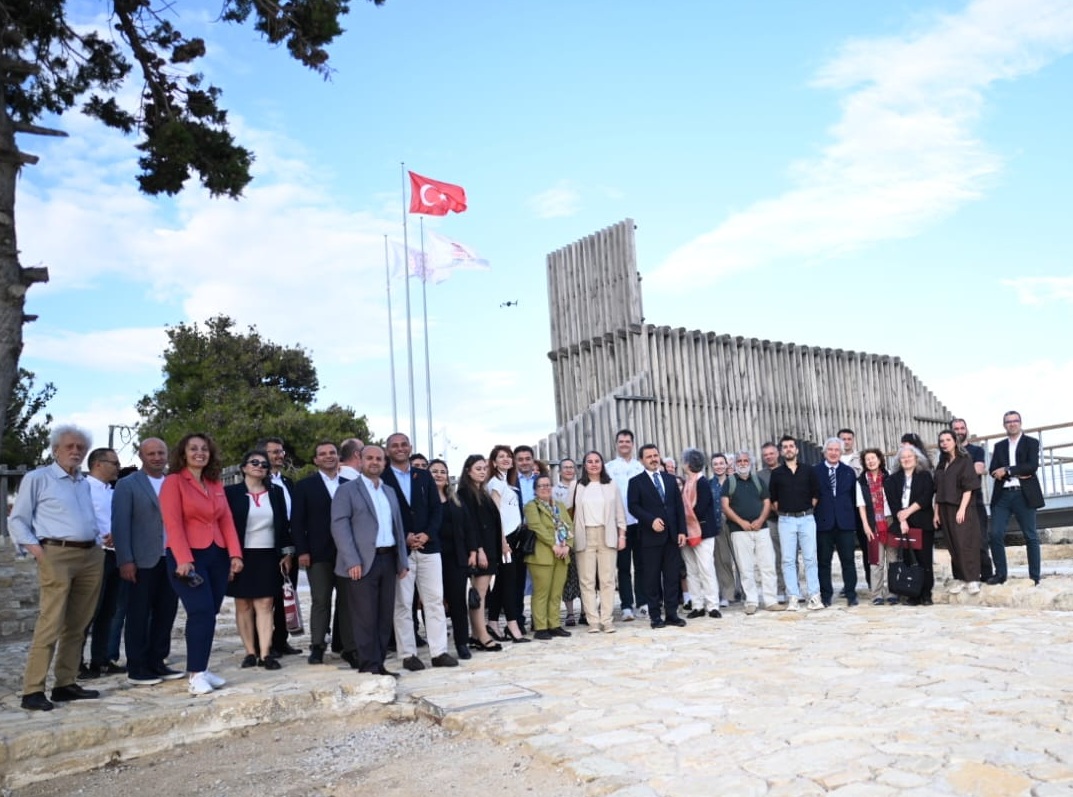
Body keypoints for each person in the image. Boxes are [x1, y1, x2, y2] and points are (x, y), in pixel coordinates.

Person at [11, 425, 104, 711]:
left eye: (80, 447)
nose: (75, 451)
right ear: (55, 450)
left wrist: (98, 539)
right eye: (69, 446)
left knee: (78, 623)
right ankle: (33, 690)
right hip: (56, 554)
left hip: (90, 555)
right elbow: (17, 520)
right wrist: (39, 552)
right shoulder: (38, 478)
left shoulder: (83, 483)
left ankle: (65, 684)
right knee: (50, 622)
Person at [160, 432, 244, 695]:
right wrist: (183, 559)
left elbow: (226, 520)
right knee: (201, 611)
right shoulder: (174, 482)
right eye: (193, 448)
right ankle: (195, 675)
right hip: (188, 556)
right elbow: (172, 522)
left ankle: (203, 668)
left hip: (216, 555)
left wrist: (235, 555)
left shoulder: (215, 482)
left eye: (204, 449)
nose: (200, 453)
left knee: (211, 612)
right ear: (183, 453)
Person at [330, 445, 409, 676]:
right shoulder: (347, 491)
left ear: (385, 463)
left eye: (379, 459)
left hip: (388, 558)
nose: (375, 462)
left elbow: (398, 527)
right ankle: (368, 665)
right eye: (370, 458)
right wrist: (351, 560)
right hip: (362, 562)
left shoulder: (389, 491)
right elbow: (339, 526)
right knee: (365, 617)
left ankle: (379, 663)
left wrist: (402, 560)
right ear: (360, 460)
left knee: (384, 617)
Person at [381, 433, 456, 670]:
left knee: (434, 600)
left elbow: (436, 509)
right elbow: (383, 513)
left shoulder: (423, 476)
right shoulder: (382, 478)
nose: (400, 449)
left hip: (429, 547)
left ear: (410, 447)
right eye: (395, 445)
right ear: (388, 449)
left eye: (404, 445)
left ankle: (439, 651)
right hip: (400, 549)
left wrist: (427, 534)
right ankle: (408, 654)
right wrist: (403, 537)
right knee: (403, 603)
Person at [112, 438, 182, 686]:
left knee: (166, 612)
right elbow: (120, 525)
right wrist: (125, 560)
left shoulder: (175, 483)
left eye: (161, 452)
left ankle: (157, 661)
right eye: (150, 453)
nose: (156, 457)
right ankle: (137, 666)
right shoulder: (127, 485)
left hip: (172, 558)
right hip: (141, 560)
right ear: (141, 456)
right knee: (138, 614)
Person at [225, 450, 293, 671]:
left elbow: (283, 525)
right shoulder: (230, 493)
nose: (259, 466)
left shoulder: (275, 493)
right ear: (244, 467)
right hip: (240, 554)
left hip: (267, 554)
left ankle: (265, 654)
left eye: (264, 464)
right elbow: (224, 527)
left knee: (266, 604)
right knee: (243, 604)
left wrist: (287, 552)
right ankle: (250, 652)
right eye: (254, 462)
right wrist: (229, 556)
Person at [291, 441, 352, 665]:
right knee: (321, 600)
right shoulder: (305, 486)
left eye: (332, 453)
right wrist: (302, 551)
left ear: (338, 457)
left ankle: (347, 646)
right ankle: (317, 645)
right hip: (317, 554)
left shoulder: (350, 485)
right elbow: (297, 522)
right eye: (323, 454)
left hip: (346, 555)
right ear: (316, 460)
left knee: (347, 602)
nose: (328, 456)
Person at [627, 444, 687, 629]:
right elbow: (633, 507)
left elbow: (678, 507)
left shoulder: (670, 480)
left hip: (671, 537)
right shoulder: (636, 482)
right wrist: (650, 520)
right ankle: (655, 616)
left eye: (655, 455)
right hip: (649, 537)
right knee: (651, 578)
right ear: (641, 460)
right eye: (648, 456)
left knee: (671, 577)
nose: (653, 459)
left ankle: (671, 614)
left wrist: (682, 531)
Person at [80, 447, 126, 679]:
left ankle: (101, 659)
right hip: (94, 555)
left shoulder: (112, 491)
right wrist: (100, 536)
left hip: (115, 555)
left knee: (109, 610)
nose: (118, 467)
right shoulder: (83, 488)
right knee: (88, 611)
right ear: (98, 464)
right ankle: (75, 662)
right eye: (114, 463)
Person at [987, 410, 1044, 586]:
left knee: (1030, 535)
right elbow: (993, 470)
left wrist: (1009, 471)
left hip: (1024, 494)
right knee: (995, 534)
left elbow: (1032, 466)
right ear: (1004, 425)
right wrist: (1010, 473)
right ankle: (1000, 575)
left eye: (1015, 421)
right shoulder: (999, 446)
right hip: (1003, 495)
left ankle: (1034, 576)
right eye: (1008, 421)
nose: (1012, 424)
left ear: (1020, 422)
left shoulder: (1031, 442)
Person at [572, 451, 626, 633]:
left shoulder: (611, 485)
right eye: (590, 461)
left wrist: (622, 534)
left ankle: (607, 620)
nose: (594, 464)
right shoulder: (577, 486)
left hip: (607, 533)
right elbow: (567, 512)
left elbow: (620, 511)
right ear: (585, 465)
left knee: (607, 579)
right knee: (586, 581)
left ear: (602, 464)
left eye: (597, 461)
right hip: (584, 534)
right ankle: (593, 621)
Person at [257, 436, 302, 659]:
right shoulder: (259, 484)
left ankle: (281, 640)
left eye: (281, 452)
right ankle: (263, 643)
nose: (279, 455)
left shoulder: (287, 482)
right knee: (268, 597)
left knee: (286, 594)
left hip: (289, 547)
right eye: (274, 452)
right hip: (267, 549)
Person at [429, 459, 477, 660]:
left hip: (456, 558)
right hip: (432, 557)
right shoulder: (425, 501)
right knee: (435, 603)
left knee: (458, 602)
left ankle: (462, 643)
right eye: (434, 471)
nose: (439, 475)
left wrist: (473, 551)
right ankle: (438, 647)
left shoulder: (456, 501)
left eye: (442, 472)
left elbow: (468, 527)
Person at [454, 455, 504, 652]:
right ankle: (482, 635)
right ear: (468, 470)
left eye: (484, 468)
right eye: (478, 468)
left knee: (480, 593)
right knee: (479, 593)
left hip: (491, 547)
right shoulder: (466, 493)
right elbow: (471, 524)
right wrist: (479, 550)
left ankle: (476, 634)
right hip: (481, 549)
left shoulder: (481, 491)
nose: (482, 471)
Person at [722, 450, 781, 614]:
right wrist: (741, 522)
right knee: (745, 568)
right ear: (735, 464)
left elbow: (767, 502)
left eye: (745, 460)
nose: (742, 463)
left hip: (761, 529)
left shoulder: (758, 481)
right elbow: (725, 506)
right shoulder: (730, 482)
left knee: (768, 565)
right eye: (739, 461)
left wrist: (761, 520)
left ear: (751, 462)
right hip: (739, 531)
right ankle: (751, 601)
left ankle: (771, 600)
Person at [768, 435, 822, 611]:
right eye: (785, 447)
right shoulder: (776, 474)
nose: (789, 449)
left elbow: (816, 495)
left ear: (797, 450)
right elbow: (774, 500)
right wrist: (787, 512)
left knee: (810, 558)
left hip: (807, 518)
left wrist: (804, 510)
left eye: (791, 446)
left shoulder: (809, 470)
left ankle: (814, 596)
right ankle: (793, 596)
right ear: (782, 451)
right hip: (786, 520)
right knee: (788, 560)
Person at [485, 445, 529, 643]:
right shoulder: (495, 483)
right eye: (501, 457)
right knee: (510, 583)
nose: (506, 459)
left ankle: (493, 622)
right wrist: (502, 542)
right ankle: (512, 624)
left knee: (502, 583)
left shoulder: (509, 482)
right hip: (505, 539)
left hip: (514, 537)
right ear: (493, 462)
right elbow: (496, 515)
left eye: (508, 456)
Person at [884, 445, 936, 606]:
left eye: (909, 457)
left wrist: (907, 512)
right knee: (908, 559)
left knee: (924, 559)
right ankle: (913, 593)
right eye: (903, 457)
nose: (906, 459)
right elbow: (893, 502)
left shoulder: (925, 476)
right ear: (899, 461)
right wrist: (902, 519)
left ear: (916, 459)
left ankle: (926, 594)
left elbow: (926, 497)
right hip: (903, 524)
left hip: (922, 521)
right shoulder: (892, 479)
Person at [524, 475, 573, 640]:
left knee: (556, 592)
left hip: (561, 555)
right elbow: (537, 527)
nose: (545, 488)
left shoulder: (559, 506)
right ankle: (541, 626)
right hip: (542, 555)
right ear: (535, 489)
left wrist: (567, 545)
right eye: (541, 486)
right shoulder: (532, 506)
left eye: (547, 485)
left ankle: (554, 624)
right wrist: (553, 544)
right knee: (541, 592)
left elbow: (569, 525)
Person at [934, 430, 982, 595]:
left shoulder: (964, 460)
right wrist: (936, 513)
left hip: (961, 507)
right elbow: (938, 491)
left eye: (948, 439)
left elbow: (968, 487)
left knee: (965, 544)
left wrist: (962, 509)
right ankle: (962, 579)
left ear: (955, 441)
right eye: (942, 441)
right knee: (953, 545)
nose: (944, 443)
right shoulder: (942, 463)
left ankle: (973, 579)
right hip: (944, 508)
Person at [814, 438, 860, 607]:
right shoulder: (815, 471)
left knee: (848, 561)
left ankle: (851, 594)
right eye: (830, 450)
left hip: (845, 523)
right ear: (825, 452)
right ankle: (826, 595)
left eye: (837, 450)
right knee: (823, 562)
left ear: (841, 452)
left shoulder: (849, 472)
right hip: (823, 523)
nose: (833, 453)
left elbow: (855, 499)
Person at [605, 429, 646, 621]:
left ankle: (643, 602)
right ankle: (627, 605)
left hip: (640, 522)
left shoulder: (640, 467)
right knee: (622, 567)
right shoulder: (609, 468)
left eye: (627, 441)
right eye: (621, 441)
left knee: (641, 565)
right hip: (619, 524)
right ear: (616, 444)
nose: (624, 444)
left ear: (632, 443)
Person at [678, 448, 721, 619]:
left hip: (702, 532)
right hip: (687, 533)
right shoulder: (687, 483)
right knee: (691, 571)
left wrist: (683, 519)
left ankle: (712, 605)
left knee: (706, 569)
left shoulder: (702, 483)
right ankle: (697, 605)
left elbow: (701, 508)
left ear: (688, 464)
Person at [951, 418, 994, 581]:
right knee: (957, 542)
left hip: (975, 501)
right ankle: (961, 577)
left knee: (981, 539)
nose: (959, 431)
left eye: (962, 428)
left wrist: (955, 473)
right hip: (954, 503)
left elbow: (979, 469)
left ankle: (987, 574)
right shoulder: (946, 453)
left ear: (966, 430)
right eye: (956, 428)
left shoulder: (977, 450)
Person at [854, 448, 898, 605]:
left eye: (873, 458)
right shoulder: (861, 482)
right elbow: (861, 505)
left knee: (892, 559)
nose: (871, 461)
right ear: (864, 463)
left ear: (879, 460)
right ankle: (877, 594)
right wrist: (865, 525)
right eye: (867, 459)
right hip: (872, 522)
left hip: (890, 521)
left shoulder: (889, 477)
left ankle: (893, 592)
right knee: (876, 561)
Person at [552, 458, 582, 626]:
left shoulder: (582, 487)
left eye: (572, 467)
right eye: (566, 467)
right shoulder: (555, 491)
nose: (569, 470)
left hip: (583, 533)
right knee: (568, 576)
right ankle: (570, 613)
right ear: (560, 471)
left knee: (586, 574)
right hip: (564, 536)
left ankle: (586, 610)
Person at [756, 442, 786, 601]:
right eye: (765, 454)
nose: (768, 457)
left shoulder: (787, 470)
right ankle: (780, 589)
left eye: (771, 453)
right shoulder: (760, 476)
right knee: (776, 556)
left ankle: (792, 588)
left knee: (790, 556)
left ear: (778, 453)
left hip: (789, 519)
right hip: (771, 521)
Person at [709, 453, 740, 607]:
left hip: (735, 523)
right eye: (716, 464)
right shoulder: (709, 484)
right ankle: (728, 593)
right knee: (723, 559)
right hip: (717, 523)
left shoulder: (735, 481)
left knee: (740, 558)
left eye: (721, 463)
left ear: (726, 464)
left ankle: (743, 591)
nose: (719, 466)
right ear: (712, 466)